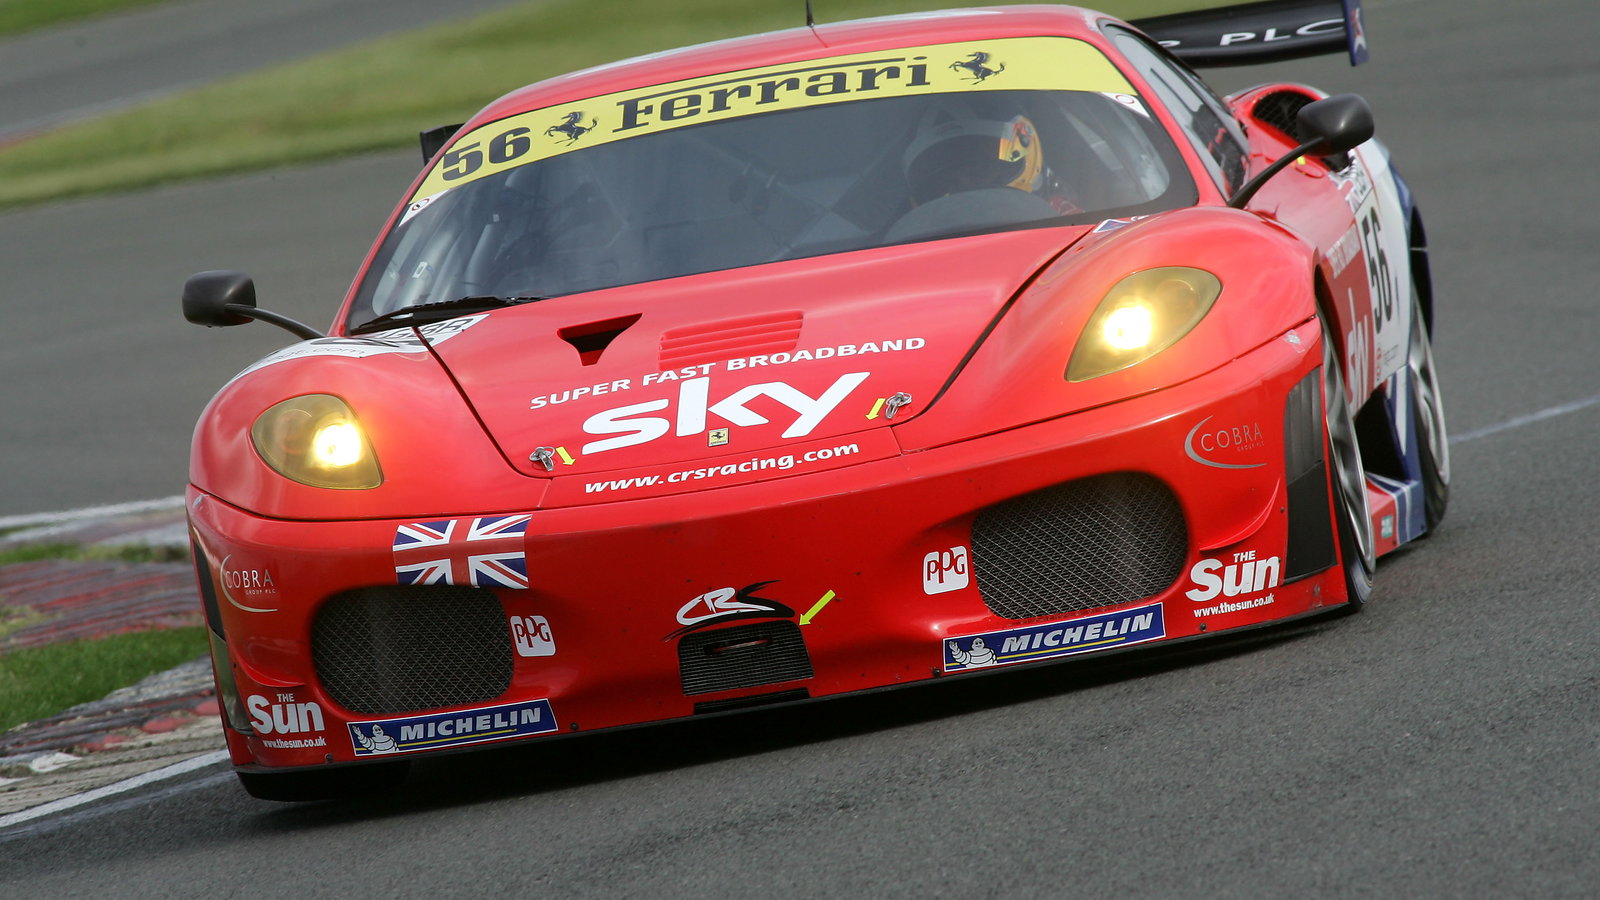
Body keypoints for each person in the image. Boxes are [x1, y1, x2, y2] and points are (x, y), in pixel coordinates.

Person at [903, 113, 1080, 214]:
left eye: (979, 173)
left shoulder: (1066, 222)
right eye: (950, 182)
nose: (967, 188)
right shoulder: (919, 245)